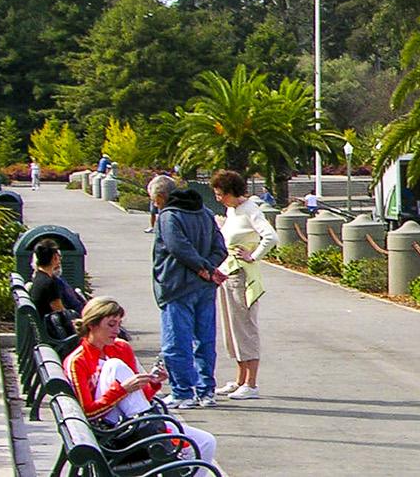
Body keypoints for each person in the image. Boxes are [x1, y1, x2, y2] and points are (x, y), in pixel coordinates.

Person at [63, 297, 217, 465]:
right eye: (111, 324)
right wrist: (122, 390)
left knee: (206, 442)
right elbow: (88, 413)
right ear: (92, 325)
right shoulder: (78, 360)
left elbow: (137, 398)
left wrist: (152, 383)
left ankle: (155, 430)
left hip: (136, 420)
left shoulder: (121, 348)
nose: (117, 330)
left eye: (119, 324)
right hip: (110, 429)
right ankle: (156, 432)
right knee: (114, 365)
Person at [149, 175, 229, 409]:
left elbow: (177, 247)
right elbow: (219, 247)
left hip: (176, 287)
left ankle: (182, 391)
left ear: (161, 197)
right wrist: (208, 267)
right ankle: (206, 391)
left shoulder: (168, 215)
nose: (154, 205)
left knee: (176, 342)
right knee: (204, 340)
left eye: (154, 200)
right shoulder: (204, 212)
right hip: (204, 289)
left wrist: (202, 268)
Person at [209, 170, 276, 400]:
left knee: (245, 327)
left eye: (220, 194)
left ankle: (251, 382)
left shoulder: (251, 210)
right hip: (228, 272)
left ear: (231, 192)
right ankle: (240, 378)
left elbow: (271, 236)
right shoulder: (232, 210)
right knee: (232, 328)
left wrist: (254, 255)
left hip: (243, 275)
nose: (218, 198)